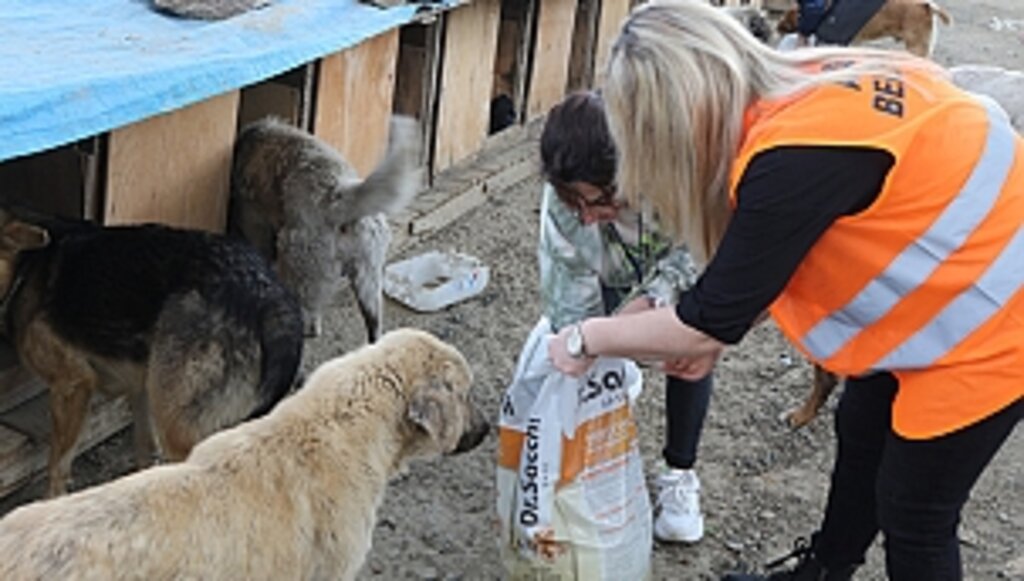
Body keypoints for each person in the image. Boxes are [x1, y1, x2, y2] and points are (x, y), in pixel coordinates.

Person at [548, 1, 1023, 580]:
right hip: (953, 288)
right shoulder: (806, 84)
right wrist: (711, 335)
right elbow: (756, 277)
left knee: (917, 512)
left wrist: (585, 338)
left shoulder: (787, 159)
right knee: (861, 430)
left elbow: (708, 316)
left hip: (994, 324)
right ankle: (824, 569)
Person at [538, 90, 711, 543]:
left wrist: (643, 314)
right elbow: (571, 303)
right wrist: (587, 341)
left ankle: (679, 471)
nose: (589, 217)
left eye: (600, 202)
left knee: (688, 355)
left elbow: (702, 258)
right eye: (577, 205)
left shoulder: (679, 174)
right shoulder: (564, 206)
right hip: (612, 275)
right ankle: (595, 461)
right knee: (592, 356)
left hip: (676, 271)